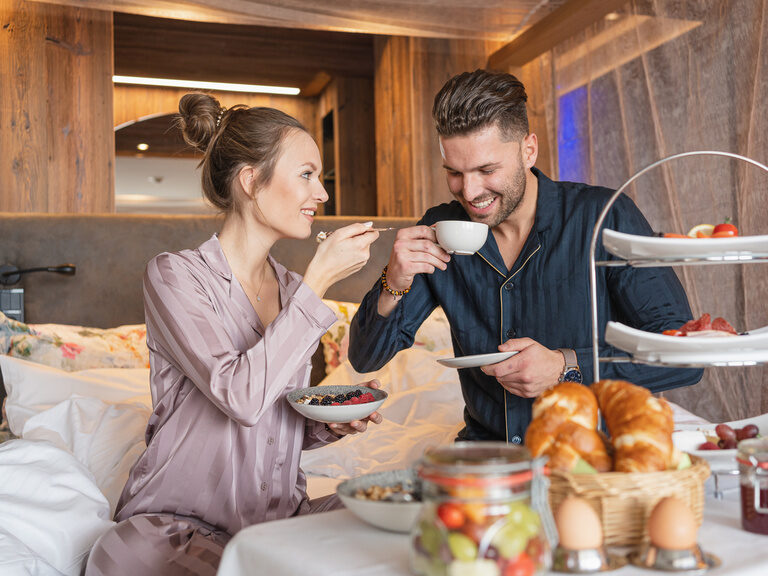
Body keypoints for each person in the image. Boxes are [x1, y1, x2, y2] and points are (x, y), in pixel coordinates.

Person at [85, 94, 383, 576]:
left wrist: (329, 423)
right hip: (181, 526)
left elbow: (271, 418)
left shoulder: (290, 290)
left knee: (409, 514)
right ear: (250, 180)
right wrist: (321, 282)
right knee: (126, 554)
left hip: (279, 520)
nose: (323, 194)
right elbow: (240, 398)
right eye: (306, 174)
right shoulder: (175, 277)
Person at [349, 69, 702, 444]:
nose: (469, 192)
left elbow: (685, 357)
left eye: (487, 170)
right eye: (454, 172)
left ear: (528, 150)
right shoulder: (440, 230)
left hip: (591, 455)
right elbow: (365, 358)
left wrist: (567, 366)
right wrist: (393, 281)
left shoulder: (604, 216)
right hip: (488, 458)